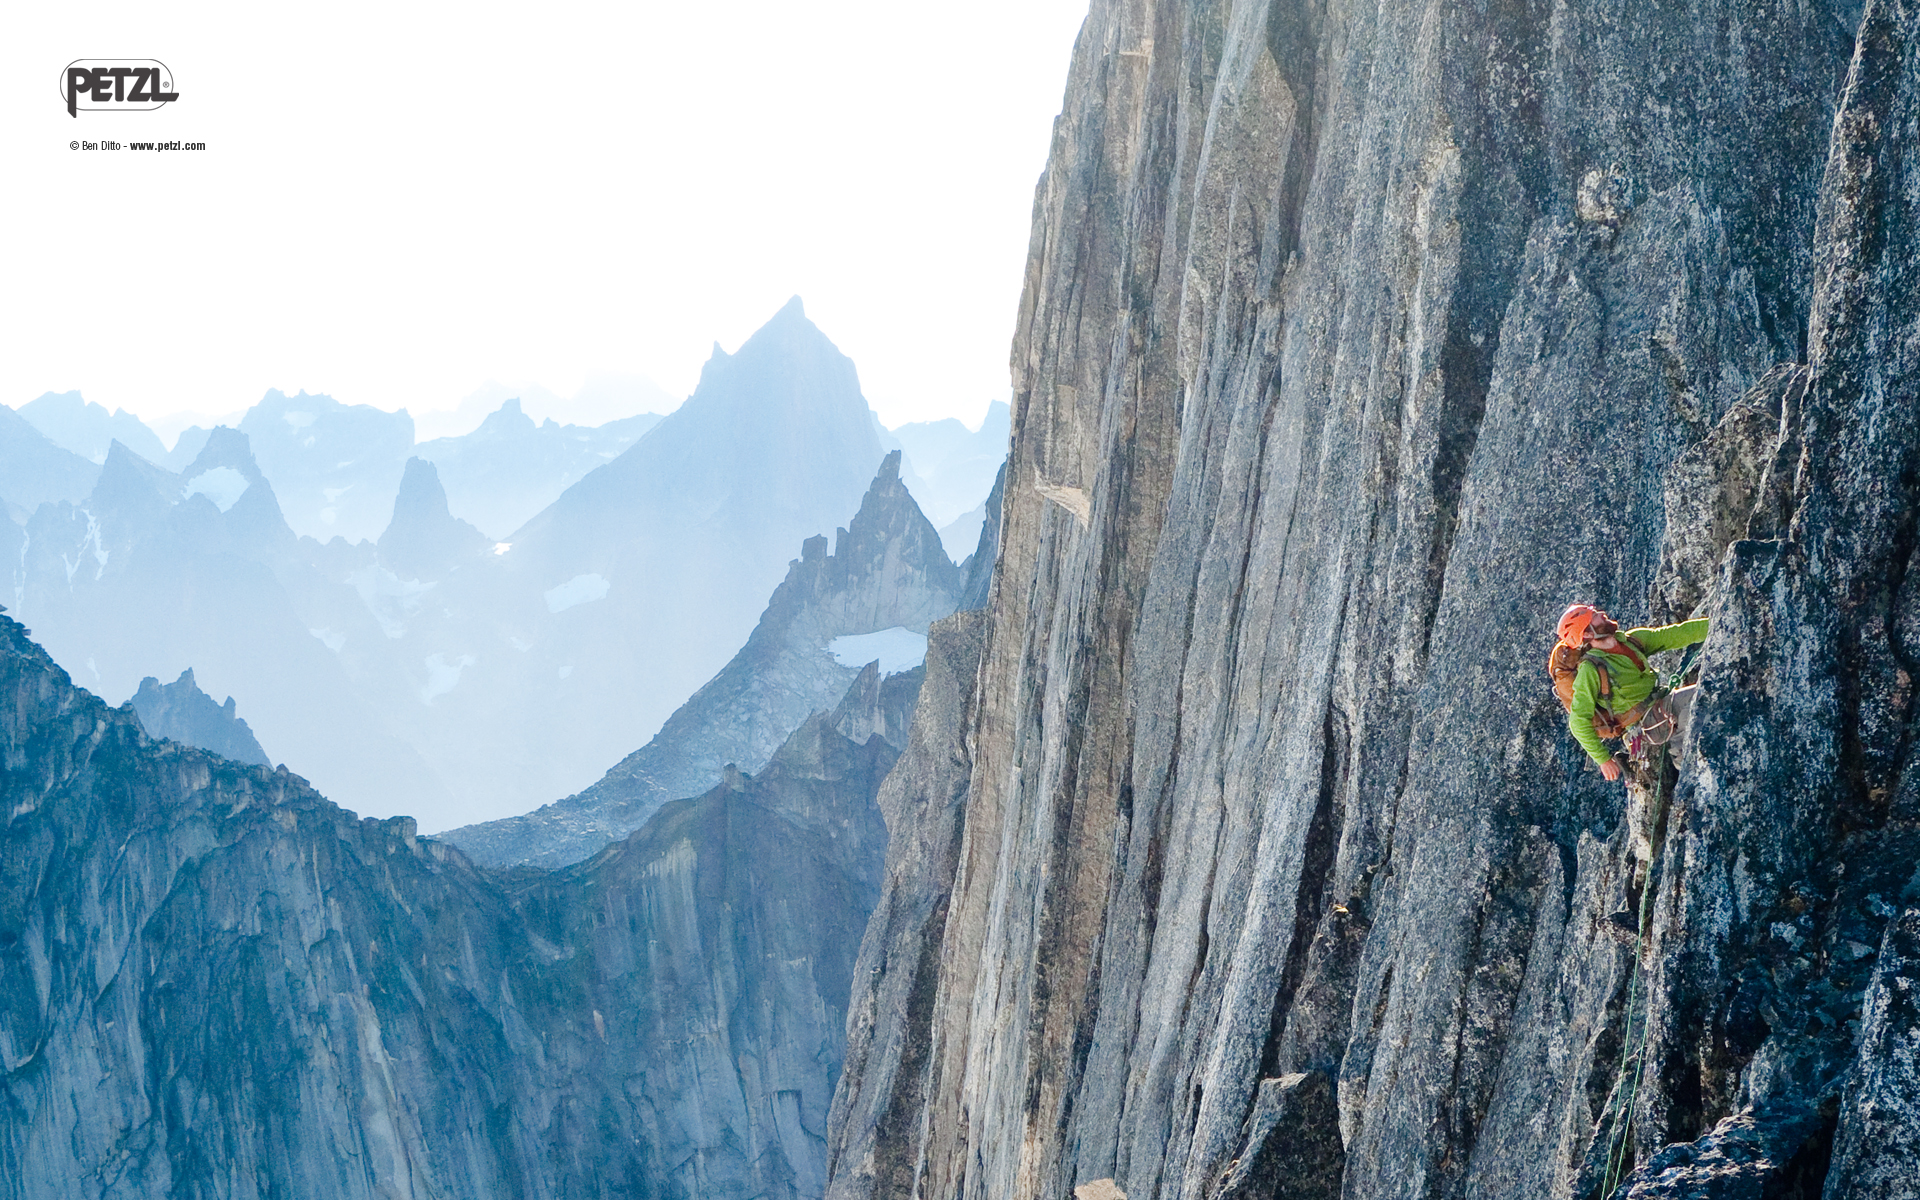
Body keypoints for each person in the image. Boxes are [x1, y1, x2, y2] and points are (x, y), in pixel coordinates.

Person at [1557, 604, 1708, 782]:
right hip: (1644, 725)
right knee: (1700, 696)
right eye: (1595, 616)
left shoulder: (1632, 641)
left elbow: (1677, 634)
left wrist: (1715, 624)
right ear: (1588, 633)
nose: (1602, 614)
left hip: (1658, 708)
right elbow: (1578, 721)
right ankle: (1682, 757)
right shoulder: (1590, 669)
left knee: (1700, 695)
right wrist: (1603, 760)